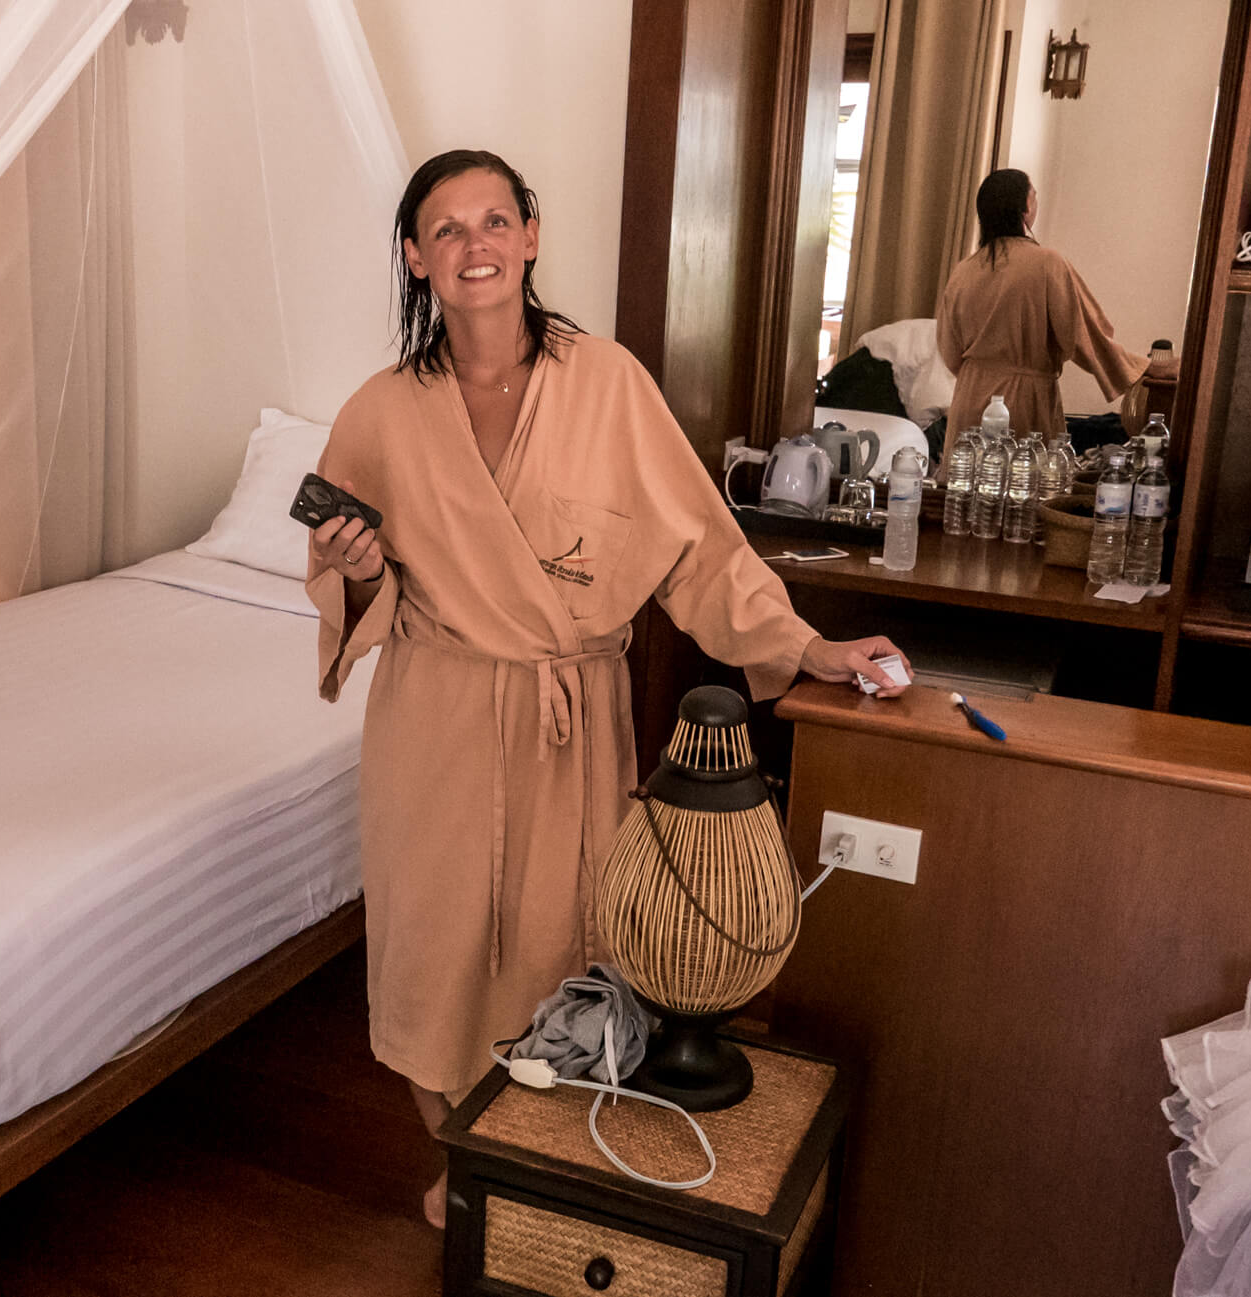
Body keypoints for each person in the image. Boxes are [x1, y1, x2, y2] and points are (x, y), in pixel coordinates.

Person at [306, 149, 910, 1229]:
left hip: (568, 720)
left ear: (531, 236)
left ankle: (543, 1164)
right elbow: (358, 585)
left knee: (564, 944)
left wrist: (805, 646)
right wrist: (354, 570)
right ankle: (458, 1154)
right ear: (415, 257)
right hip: (435, 714)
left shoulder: (609, 383)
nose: (475, 245)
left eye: (496, 220)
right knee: (428, 948)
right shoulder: (379, 414)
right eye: (447, 229)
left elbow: (699, 550)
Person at [935, 168, 1176, 447]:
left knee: (966, 474)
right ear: (1025, 208)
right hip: (1021, 403)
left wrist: (984, 375)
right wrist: (1146, 367)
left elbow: (950, 352)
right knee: (1023, 471)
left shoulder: (963, 271)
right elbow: (1085, 337)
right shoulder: (1047, 264)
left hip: (968, 401)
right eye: (1034, 196)